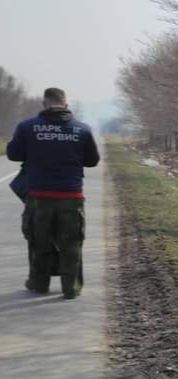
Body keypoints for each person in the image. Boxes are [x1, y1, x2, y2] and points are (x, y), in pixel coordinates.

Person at [5, 87, 100, 299]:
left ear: (44, 104)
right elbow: (92, 161)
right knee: (72, 243)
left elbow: (12, 154)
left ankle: (39, 284)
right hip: (71, 196)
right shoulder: (82, 129)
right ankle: (71, 288)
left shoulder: (27, 127)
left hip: (38, 196)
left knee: (39, 242)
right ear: (66, 104)